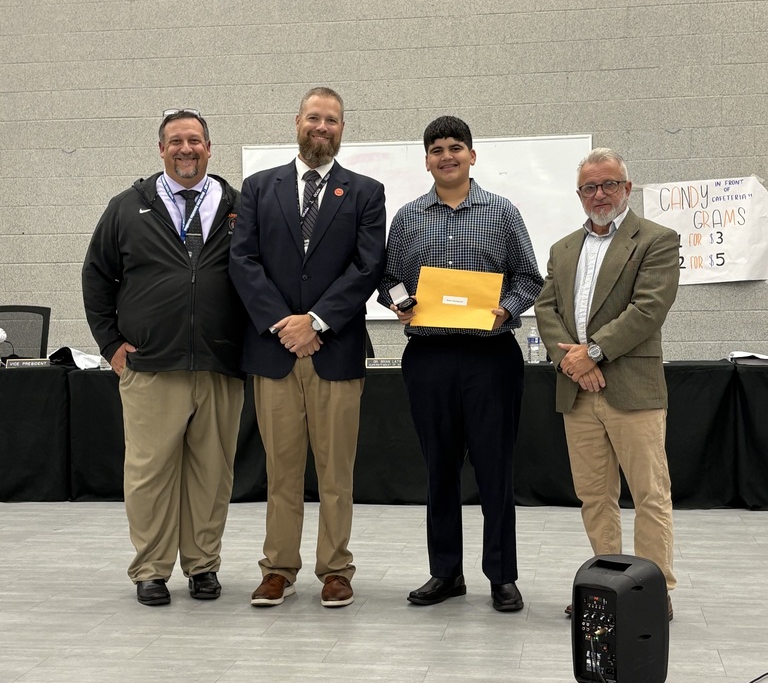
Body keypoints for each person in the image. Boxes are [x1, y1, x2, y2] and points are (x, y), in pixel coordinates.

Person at [378, 115, 543, 612]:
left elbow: (529, 279)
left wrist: (508, 310)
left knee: (495, 469)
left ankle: (501, 576)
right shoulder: (408, 217)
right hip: (428, 356)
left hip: (490, 356)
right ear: (426, 160)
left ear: (472, 155)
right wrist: (400, 302)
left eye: (455, 147)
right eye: (436, 150)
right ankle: (445, 572)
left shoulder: (502, 211)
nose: (446, 156)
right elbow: (387, 278)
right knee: (439, 470)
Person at [229, 87, 386, 609]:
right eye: (314, 118)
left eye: (333, 120)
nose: (323, 127)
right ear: (297, 122)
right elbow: (243, 261)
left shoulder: (365, 192)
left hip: (335, 353)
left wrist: (317, 322)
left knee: (336, 472)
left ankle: (336, 570)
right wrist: (285, 324)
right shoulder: (256, 188)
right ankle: (278, 568)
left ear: (343, 128)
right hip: (275, 355)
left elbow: (366, 267)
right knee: (282, 471)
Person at [82, 109, 246, 606]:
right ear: (161, 149)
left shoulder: (238, 206)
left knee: (212, 474)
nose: (186, 149)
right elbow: (96, 278)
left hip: (221, 365)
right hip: (151, 367)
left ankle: (202, 567)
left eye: (195, 140)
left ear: (210, 148)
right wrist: (111, 345)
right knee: (150, 474)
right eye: (175, 141)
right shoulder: (127, 207)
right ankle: (151, 570)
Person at [534, 147, 679, 619]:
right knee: (594, 496)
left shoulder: (656, 239)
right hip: (578, 392)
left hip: (632, 390)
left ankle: (652, 593)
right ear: (579, 195)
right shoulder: (562, 249)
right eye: (589, 187)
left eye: (609, 184)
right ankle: (607, 587)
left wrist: (590, 351)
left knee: (649, 494)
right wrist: (575, 364)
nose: (599, 195)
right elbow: (546, 310)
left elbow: (648, 309)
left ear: (627, 188)